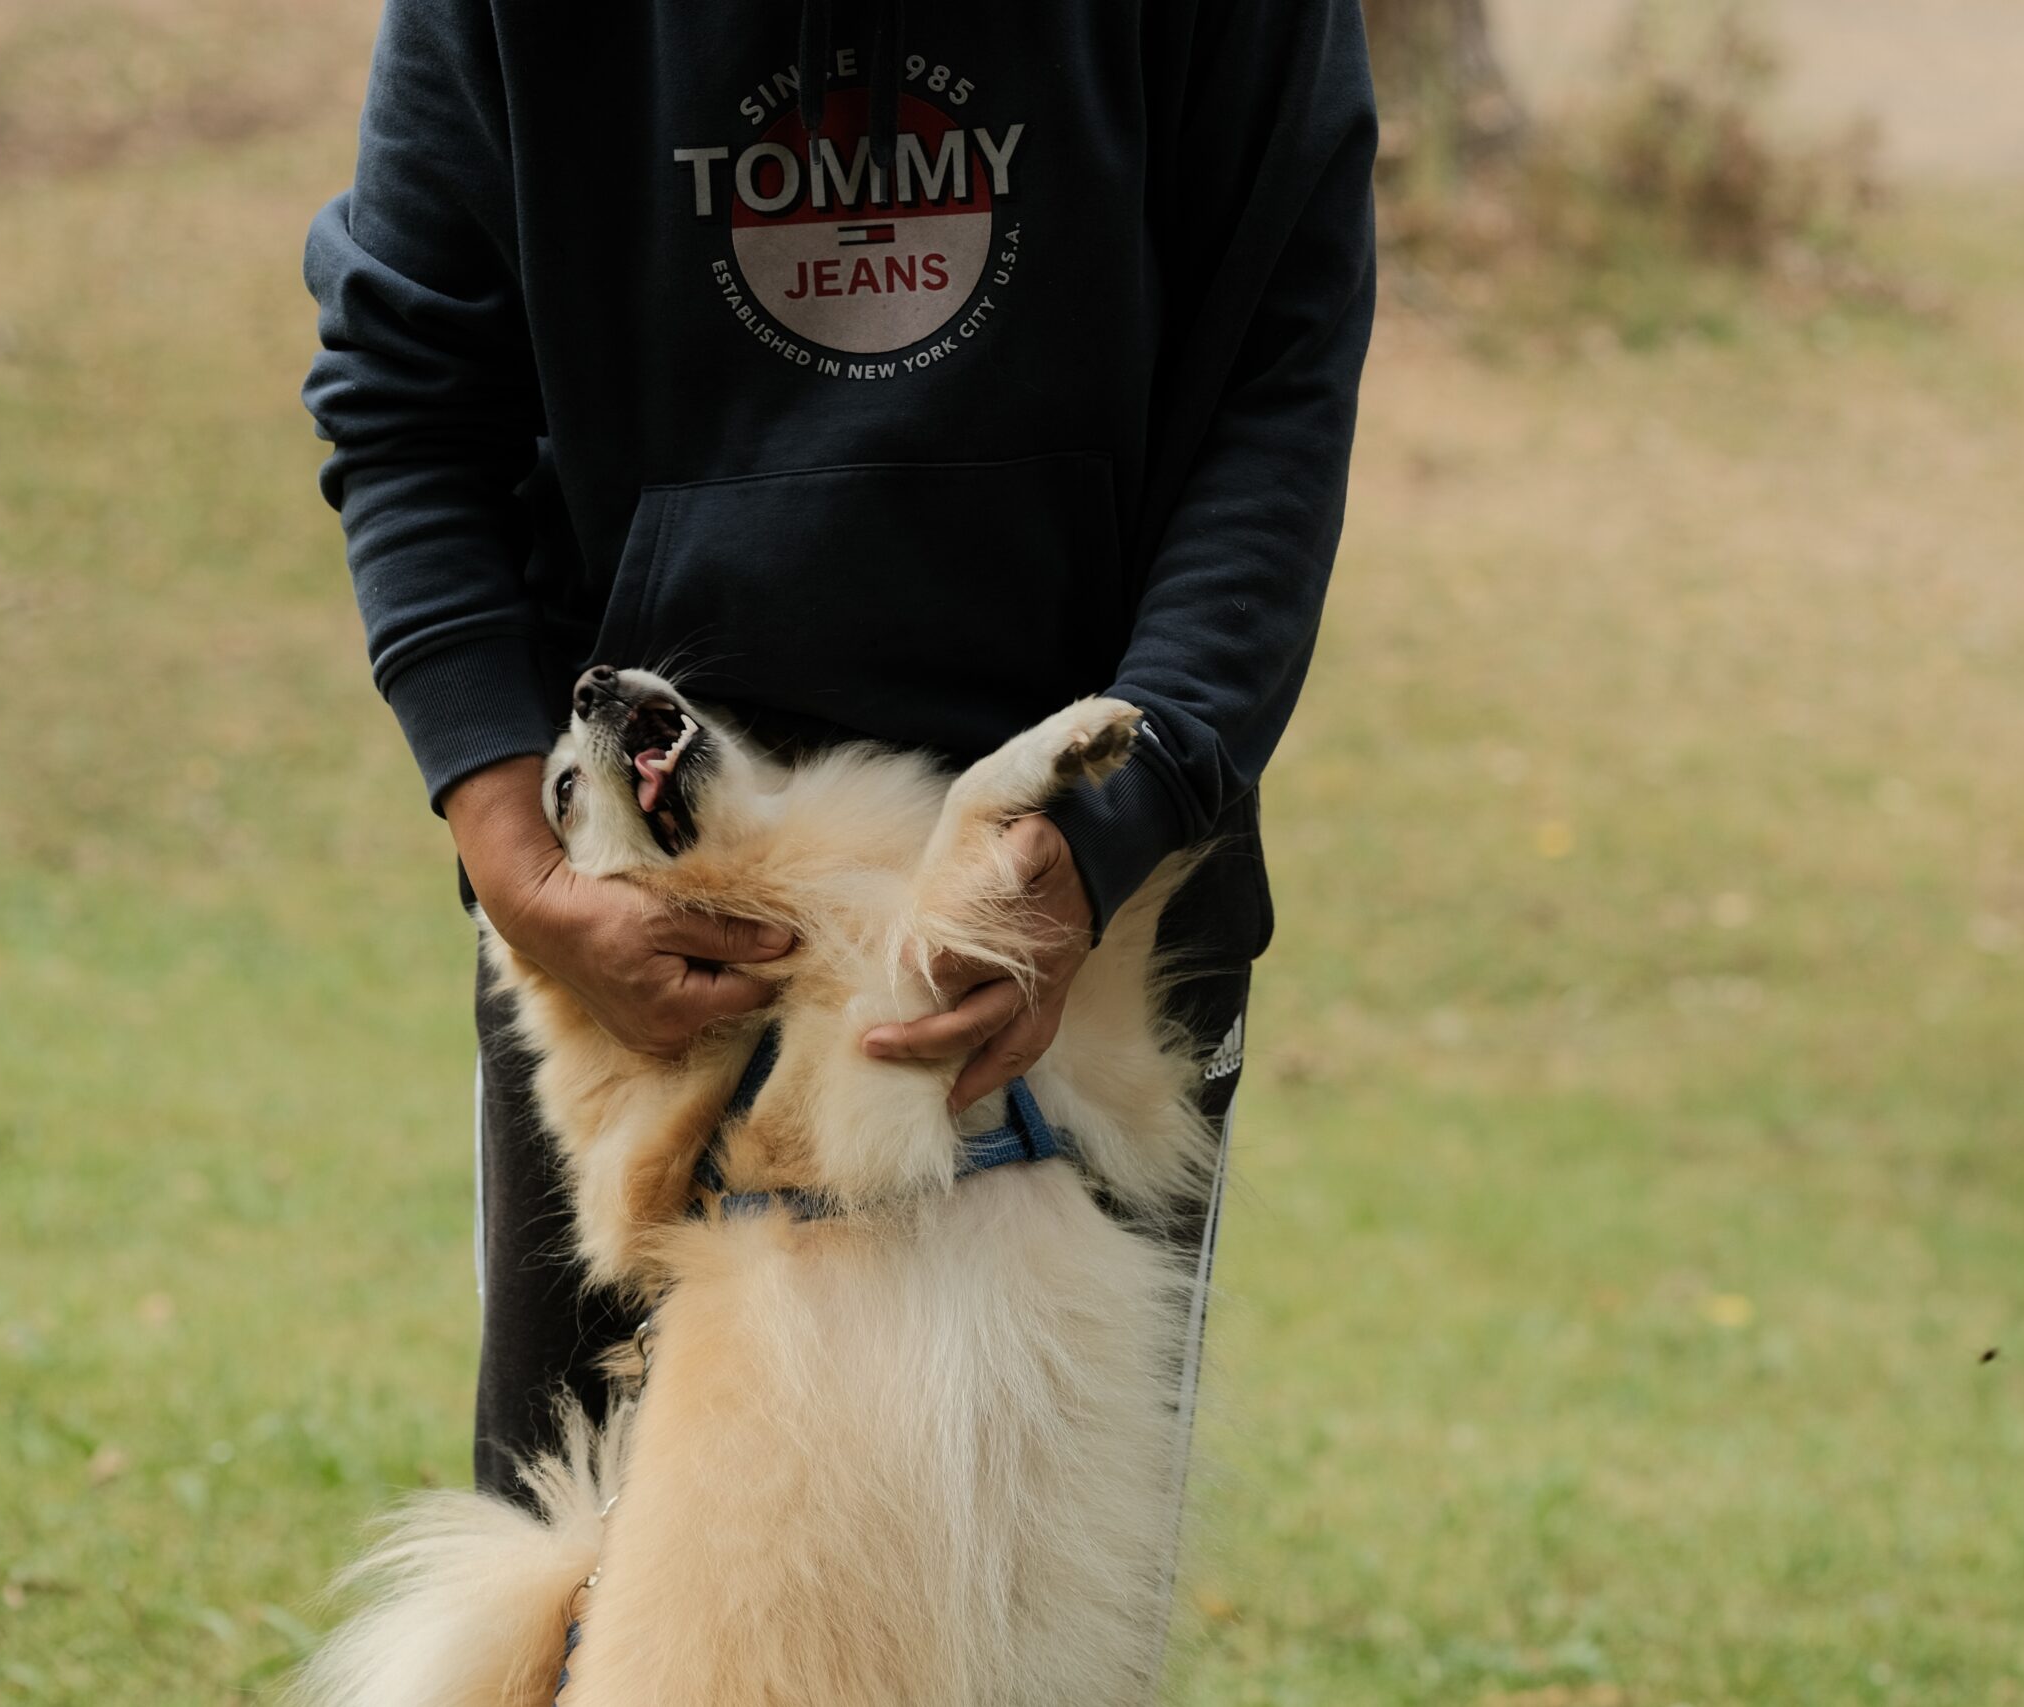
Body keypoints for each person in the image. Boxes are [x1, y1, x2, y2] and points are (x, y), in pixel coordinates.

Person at [301, 0, 1376, 1510]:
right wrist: (522, 865)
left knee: (1019, 1625)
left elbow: (1282, 369)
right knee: (614, 1614)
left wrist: (1118, 818)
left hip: (1090, 935)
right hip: (653, 930)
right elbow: (408, 386)